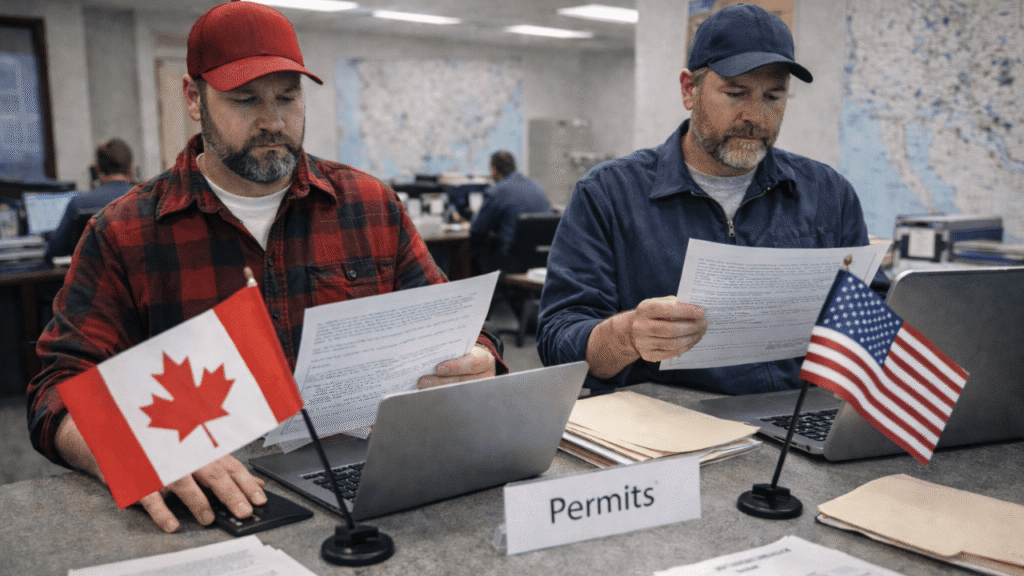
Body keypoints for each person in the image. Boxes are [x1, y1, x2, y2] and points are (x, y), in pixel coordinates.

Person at [27, 0, 505, 534]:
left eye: (288, 96)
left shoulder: (370, 207)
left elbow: (454, 329)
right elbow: (57, 392)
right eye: (244, 99)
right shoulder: (125, 233)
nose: (273, 121)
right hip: (214, 508)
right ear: (193, 97)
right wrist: (138, 449)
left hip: (368, 485)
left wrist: (477, 359)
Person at [536, 4, 889, 395]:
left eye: (774, 96)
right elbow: (558, 342)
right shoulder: (609, 194)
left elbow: (876, 323)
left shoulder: (828, 193)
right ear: (690, 90)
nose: (754, 115)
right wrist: (625, 336)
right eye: (735, 93)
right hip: (668, 420)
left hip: (794, 419)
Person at [45, 139, 134, 260]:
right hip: (136, 275)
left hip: (92, 277)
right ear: (131, 168)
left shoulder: (78, 204)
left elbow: (56, 249)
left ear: (97, 169)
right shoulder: (145, 199)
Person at [470, 150, 551, 274]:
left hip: (511, 261)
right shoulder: (536, 186)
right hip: (540, 259)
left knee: (474, 251)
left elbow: (477, 230)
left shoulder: (498, 191)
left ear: (493, 170)